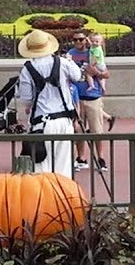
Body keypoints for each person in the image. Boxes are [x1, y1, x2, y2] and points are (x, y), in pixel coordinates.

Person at [16, 29, 82, 180]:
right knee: (64, 166)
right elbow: (77, 76)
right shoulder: (63, 63)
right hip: (64, 121)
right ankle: (64, 198)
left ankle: (44, 200)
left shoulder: (27, 69)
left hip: (41, 124)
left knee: (41, 167)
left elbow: (26, 99)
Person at [66, 31, 110, 172]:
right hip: (76, 97)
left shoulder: (94, 52)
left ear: (86, 40)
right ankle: (81, 158)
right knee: (78, 130)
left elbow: (106, 74)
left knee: (97, 130)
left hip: (92, 97)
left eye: (81, 39)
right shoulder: (70, 54)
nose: (78, 42)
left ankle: (100, 158)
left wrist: (95, 72)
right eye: (75, 40)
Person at [88, 32, 118, 132]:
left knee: (92, 75)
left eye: (97, 41)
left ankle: (98, 86)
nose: (94, 43)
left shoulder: (95, 49)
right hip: (83, 93)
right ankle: (109, 117)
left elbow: (105, 74)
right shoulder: (93, 47)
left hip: (92, 93)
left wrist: (93, 67)